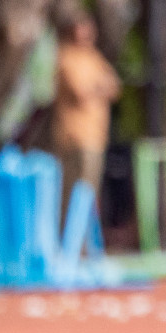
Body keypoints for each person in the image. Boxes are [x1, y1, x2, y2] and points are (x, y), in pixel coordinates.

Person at [51, 18, 121, 219]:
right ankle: (69, 241)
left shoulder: (93, 58)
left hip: (96, 136)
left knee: (90, 191)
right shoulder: (67, 58)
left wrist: (97, 88)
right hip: (74, 137)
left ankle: (83, 242)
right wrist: (99, 88)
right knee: (74, 191)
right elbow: (81, 93)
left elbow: (114, 87)